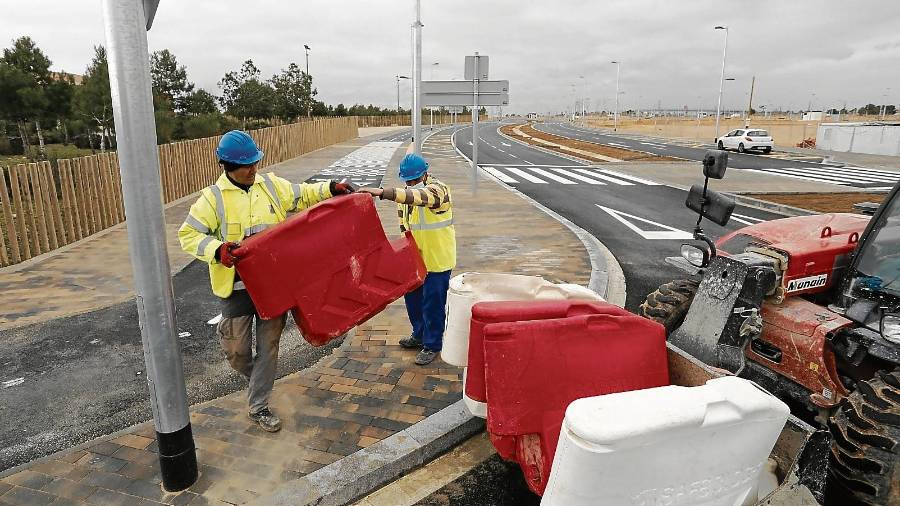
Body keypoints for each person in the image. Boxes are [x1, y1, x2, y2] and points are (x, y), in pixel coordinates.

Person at [178, 130, 353, 432]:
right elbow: (188, 235)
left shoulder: (270, 185)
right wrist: (216, 250)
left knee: (269, 347)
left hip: (274, 286)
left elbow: (302, 193)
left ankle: (258, 405)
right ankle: (261, 377)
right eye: (245, 165)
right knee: (237, 352)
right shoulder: (213, 198)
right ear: (226, 165)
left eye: (255, 162)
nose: (252, 169)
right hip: (237, 288)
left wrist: (331, 187)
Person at [359, 153, 456, 365]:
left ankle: (432, 345)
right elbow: (406, 226)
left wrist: (383, 192)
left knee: (433, 304)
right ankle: (419, 334)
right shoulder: (405, 197)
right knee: (413, 300)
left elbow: (421, 197)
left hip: (437, 259)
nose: (410, 184)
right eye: (407, 181)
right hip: (414, 259)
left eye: (413, 180)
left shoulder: (439, 190)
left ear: (425, 174)